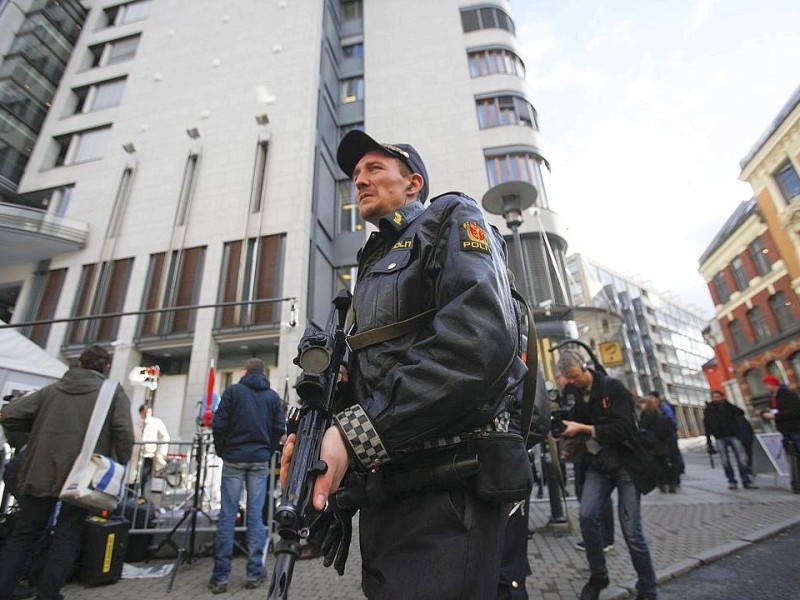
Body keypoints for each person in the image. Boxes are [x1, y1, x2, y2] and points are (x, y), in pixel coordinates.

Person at [281, 130, 527, 599]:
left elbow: (478, 342)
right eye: (355, 175)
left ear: (413, 184)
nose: (360, 181)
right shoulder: (370, 268)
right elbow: (372, 381)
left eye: (374, 169)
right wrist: (321, 455)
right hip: (391, 494)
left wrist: (352, 435)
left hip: (451, 492)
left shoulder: (451, 217)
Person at [0, 345, 134, 600]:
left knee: (25, 535)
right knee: (67, 535)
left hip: (40, 470)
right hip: (82, 474)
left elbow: (9, 415)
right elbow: (124, 434)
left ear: (80, 364)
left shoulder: (53, 390)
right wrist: (118, 462)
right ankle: (48, 594)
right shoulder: (111, 393)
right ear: (106, 367)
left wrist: (32, 438)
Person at [558, 349, 657, 600]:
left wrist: (586, 429)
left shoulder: (613, 388)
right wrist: (568, 446)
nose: (570, 382)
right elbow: (573, 425)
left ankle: (648, 588)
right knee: (587, 515)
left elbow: (624, 429)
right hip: (597, 465)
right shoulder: (571, 393)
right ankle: (598, 576)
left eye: (573, 377)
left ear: (584, 368)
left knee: (631, 531)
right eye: (566, 379)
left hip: (626, 464)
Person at [209, 357, 286, 593]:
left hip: (233, 458)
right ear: (263, 373)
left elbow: (218, 424)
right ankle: (254, 573)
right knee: (255, 516)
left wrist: (222, 450)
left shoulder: (233, 392)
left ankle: (220, 577)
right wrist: (267, 450)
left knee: (227, 516)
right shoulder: (272, 397)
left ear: (245, 371)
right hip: (259, 460)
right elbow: (278, 428)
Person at [556, 372, 614, 554]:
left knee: (598, 499)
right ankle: (595, 539)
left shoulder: (577, 393)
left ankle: (604, 538)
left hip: (594, 453)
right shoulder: (569, 395)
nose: (559, 379)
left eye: (560, 376)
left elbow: (578, 423)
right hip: (582, 453)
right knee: (586, 498)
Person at [703, 390, 757, 491]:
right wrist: (709, 441)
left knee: (741, 459)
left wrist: (727, 404)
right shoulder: (709, 409)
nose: (716, 399)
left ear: (722, 397)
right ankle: (731, 481)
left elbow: (741, 412)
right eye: (714, 397)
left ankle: (746, 480)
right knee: (725, 461)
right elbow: (707, 425)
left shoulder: (728, 406)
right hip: (719, 437)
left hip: (733, 435)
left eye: (718, 397)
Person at [760, 374, 800, 493]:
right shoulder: (773, 398)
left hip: (795, 429)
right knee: (793, 457)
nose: (765, 387)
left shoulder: (788, 395)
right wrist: (765, 414)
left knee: (796, 455)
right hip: (785, 430)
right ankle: (796, 483)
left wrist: (775, 415)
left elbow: (795, 411)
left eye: (767, 384)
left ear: (773, 384)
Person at [639, 395, 678, 493]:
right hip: (661, 443)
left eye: (643, 403)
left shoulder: (647, 415)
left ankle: (663, 483)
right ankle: (670, 483)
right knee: (664, 464)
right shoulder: (658, 413)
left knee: (658, 465)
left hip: (654, 443)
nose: (641, 406)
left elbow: (643, 428)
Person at [648, 390, 684, 483]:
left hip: (669, 436)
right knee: (664, 459)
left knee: (673, 457)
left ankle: (675, 478)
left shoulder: (664, 407)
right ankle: (667, 479)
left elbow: (671, 420)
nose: (652, 401)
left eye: (653, 399)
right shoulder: (650, 411)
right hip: (659, 438)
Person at [136, 404, 170, 495]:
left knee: (145, 479)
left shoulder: (156, 422)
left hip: (149, 455)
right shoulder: (137, 423)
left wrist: (161, 453)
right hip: (137, 456)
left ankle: (143, 499)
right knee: (135, 479)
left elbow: (165, 437)